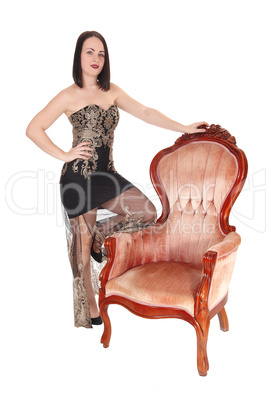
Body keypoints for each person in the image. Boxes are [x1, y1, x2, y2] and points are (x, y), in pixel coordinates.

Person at [26, 30, 208, 329]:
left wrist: (183, 127)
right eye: (89, 52)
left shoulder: (112, 90)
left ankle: (99, 234)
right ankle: (91, 309)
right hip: (79, 178)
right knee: (82, 256)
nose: (96, 58)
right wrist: (65, 154)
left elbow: (146, 112)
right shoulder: (68, 95)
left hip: (107, 174)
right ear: (79, 56)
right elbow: (34, 128)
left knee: (147, 212)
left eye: (101, 54)